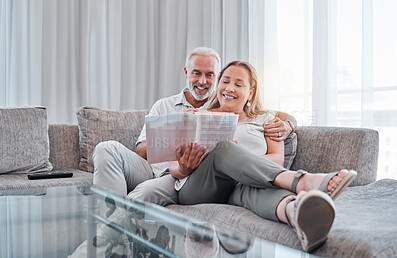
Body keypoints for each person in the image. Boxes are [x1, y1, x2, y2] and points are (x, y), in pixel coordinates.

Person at [169, 61, 357, 252]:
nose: (230, 88)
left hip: (245, 185)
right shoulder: (197, 115)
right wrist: (185, 168)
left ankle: (296, 213)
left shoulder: (266, 119)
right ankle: (302, 181)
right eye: (225, 81)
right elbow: (173, 167)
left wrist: (241, 164)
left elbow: (278, 159)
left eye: (239, 84)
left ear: (250, 92)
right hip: (200, 188)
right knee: (225, 148)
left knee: (252, 187)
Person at [93, 47, 297, 208]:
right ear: (186, 73)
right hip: (156, 169)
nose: (202, 81)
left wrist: (289, 124)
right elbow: (141, 150)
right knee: (106, 148)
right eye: (196, 73)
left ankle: (110, 233)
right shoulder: (165, 105)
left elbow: (262, 114)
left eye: (209, 75)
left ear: (216, 78)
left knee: (145, 193)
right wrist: (175, 132)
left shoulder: (224, 105)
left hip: (188, 177)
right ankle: (106, 220)